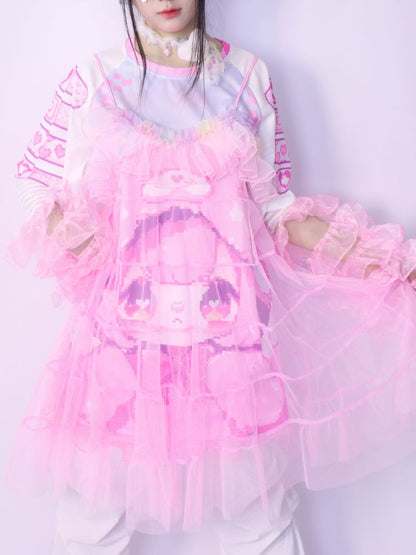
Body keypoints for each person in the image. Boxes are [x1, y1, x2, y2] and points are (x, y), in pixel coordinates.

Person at [4, 1, 416, 554]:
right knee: (91, 524)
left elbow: (277, 209)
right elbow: (34, 177)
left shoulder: (247, 75)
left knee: (260, 524)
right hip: (121, 343)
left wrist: (383, 261)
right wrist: (81, 241)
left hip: (230, 343)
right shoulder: (96, 78)